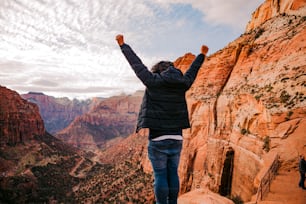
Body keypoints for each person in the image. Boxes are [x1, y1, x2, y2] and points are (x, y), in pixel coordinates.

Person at [116, 34, 208, 204]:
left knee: (160, 176)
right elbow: (192, 72)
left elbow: (137, 65)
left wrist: (123, 45)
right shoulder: (182, 83)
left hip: (158, 138)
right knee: (172, 173)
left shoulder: (153, 81)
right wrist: (201, 55)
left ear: (157, 70)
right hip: (176, 138)